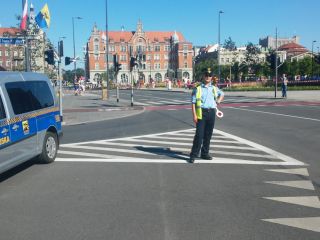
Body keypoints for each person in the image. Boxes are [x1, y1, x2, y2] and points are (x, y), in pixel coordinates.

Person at [189, 68, 224, 163]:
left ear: (211, 77)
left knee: (208, 135)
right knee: (199, 135)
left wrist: (218, 101)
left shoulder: (214, 88)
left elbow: (222, 94)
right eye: (206, 75)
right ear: (203, 76)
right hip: (202, 114)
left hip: (211, 113)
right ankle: (193, 154)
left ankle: (205, 153)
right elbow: (193, 102)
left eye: (209, 75)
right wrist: (194, 115)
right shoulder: (198, 88)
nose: (208, 77)